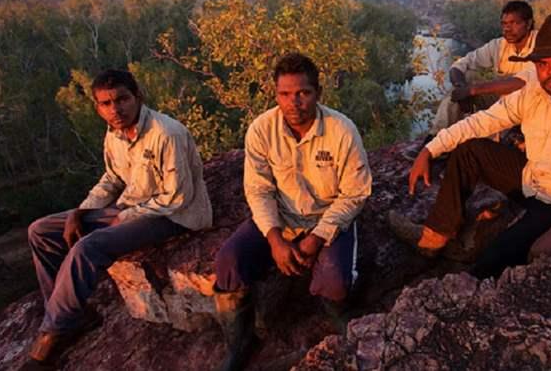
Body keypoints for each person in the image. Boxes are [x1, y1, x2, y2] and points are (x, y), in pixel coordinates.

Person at [394, 13, 551, 279]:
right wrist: (430, 149)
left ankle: (486, 248)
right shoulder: (535, 88)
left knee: (489, 264)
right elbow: (487, 120)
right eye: (543, 64)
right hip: (532, 180)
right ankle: (435, 237)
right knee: (471, 151)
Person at [22, 69, 212, 369]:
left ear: (138, 97)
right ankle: (71, 316)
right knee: (40, 230)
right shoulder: (115, 133)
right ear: (98, 107)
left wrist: (124, 217)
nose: (115, 109)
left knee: (88, 248)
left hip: (175, 216)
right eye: (106, 103)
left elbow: (176, 198)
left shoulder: (166, 133)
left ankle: (50, 337)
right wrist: (81, 211)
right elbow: (112, 178)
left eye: (122, 99)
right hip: (135, 207)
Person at [212, 53, 372, 371]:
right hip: (281, 217)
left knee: (334, 282)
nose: (294, 102)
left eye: (303, 93)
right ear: (275, 94)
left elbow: (356, 193)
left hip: (328, 217)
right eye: (285, 94)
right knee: (228, 263)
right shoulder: (261, 130)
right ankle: (240, 342)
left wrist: (316, 239)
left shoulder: (341, 130)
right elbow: (258, 189)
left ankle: (348, 328)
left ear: (318, 93)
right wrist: (274, 239)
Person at [431, 0, 538, 133]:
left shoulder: (542, 44)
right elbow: (461, 65)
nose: (507, 29)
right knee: (460, 89)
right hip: (502, 102)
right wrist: (462, 88)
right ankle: (434, 139)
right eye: (504, 24)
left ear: (528, 24)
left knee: (471, 89)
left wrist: (474, 90)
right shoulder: (499, 45)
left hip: (531, 105)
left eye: (514, 23)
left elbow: (525, 82)